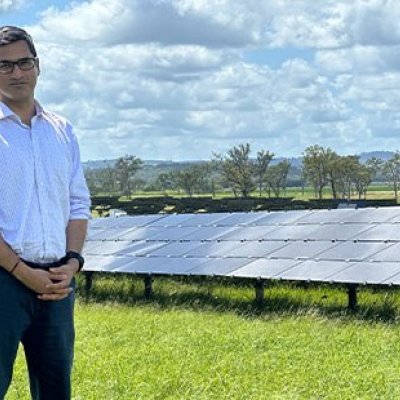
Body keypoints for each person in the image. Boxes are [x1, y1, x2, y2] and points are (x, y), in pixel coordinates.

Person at [0, 26, 91, 399]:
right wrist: (22, 272)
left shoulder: (62, 130)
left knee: (55, 390)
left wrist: (73, 262)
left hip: (57, 282)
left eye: (24, 63)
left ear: (38, 66)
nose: (17, 73)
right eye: (5, 66)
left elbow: (78, 203)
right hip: (4, 281)